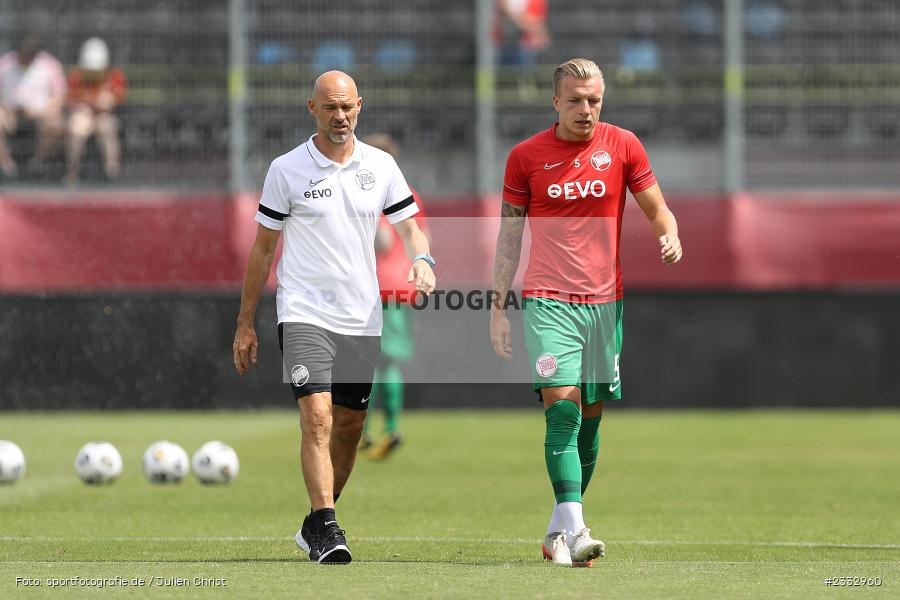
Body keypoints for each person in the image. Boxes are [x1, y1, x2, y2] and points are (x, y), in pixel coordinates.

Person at [232, 71, 435, 565]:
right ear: (312, 109)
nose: (340, 116)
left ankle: (315, 521)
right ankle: (327, 526)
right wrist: (245, 322)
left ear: (359, 106)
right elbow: (262, 251)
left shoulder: (381, 165)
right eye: (330, 107)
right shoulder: (286, 169)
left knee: (349, 426)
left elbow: (410, 226)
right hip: (303, 311)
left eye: (347, 107)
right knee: (318, 417)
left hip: (361, 316)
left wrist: (423, 259)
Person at [490, 58, 683, 568]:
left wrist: (669, 232)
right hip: (548, 302)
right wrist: (498, 307)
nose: (585, 109)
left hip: (604, 306)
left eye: (593, 100)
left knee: (590, 427)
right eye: (575, 100)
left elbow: (657, 208)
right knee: (563, 412)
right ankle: (577, 532)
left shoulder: (624, 145)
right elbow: (509, 236)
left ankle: (558, 530)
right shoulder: (525, 157)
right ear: (555, 101)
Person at [360, 133, 429, 460]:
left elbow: (383, 242)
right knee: (387, 362)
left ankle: (365, 431)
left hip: (375, 287)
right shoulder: (409, 193)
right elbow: (424, 239)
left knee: (367, 362)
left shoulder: (374, 192)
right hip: (401, 286)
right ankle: (388, 428)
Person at [0, 35, 66, 178]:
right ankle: (6, 166)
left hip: (40, 113)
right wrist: (5, 109)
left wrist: (38, 111)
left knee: (55, 124)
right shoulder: (4, 63)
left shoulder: (50, 65)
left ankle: (36, 163)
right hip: (9, 113)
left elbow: (59, 97)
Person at [65, 37, 127, 184]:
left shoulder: (114, 76)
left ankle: (112, 172)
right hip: (84, 115)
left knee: (106, 127)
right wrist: (87, 103)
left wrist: (108, 102)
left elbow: (118, 99)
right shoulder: (76, 75)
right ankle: (72, 173)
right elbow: (70, 99)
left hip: (105, 116)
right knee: (77, 127)